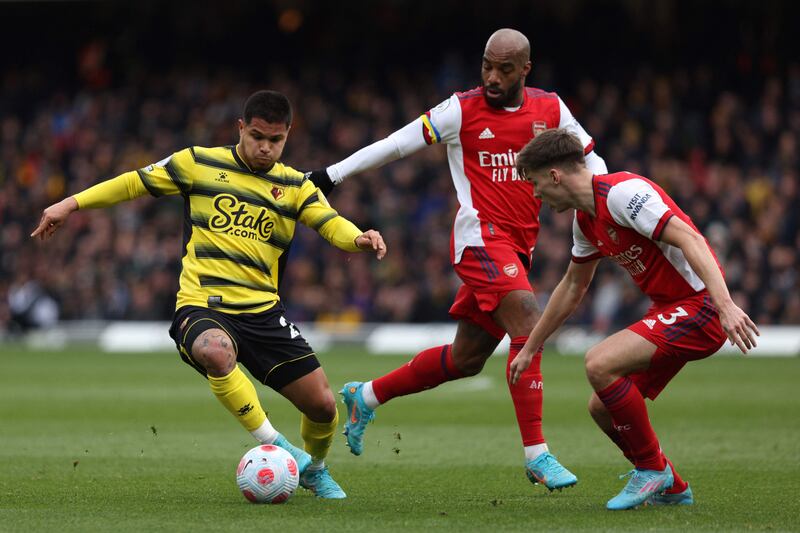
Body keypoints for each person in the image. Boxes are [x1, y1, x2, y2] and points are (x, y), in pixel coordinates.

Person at [31, 90, 387, 500]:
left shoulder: (295, 186)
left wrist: (358, 238)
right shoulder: (198, 163)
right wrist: (70, 203)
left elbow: (330, 223)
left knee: (324, 407)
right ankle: (283, 447)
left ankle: (315, 470)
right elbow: (133, 183)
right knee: (216, 351)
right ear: (240, 128)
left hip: (263, 313)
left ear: (288, 135)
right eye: (257, 136)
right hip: (202, 305)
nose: (265, 147)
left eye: (276, 140)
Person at [307, 28, 608, 490]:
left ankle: (365, 396)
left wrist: (604, 198)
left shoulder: (551, 108)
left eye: (504, 69)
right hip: (480, 240)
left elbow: (592, 159)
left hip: (517, 248)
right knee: (529, 323)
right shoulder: (460, 109)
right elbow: (397, 143)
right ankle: (537, 455)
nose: (491, 76)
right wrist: (333, 174)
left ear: (525, 70)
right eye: (486, 65)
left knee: (466, 358)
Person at [508, 128, 759, 510]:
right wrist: (532, 346)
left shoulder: (623, 193)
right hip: (671, 309)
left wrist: (724, 304)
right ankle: (671, 484)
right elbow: (573, 286)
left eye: (536, 183)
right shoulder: (585, 220)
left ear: (555, 175)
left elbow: (691, 238)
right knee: (601, 408)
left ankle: (650, 468)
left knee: (599, 362)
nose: (536, 195)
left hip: (701, 306)